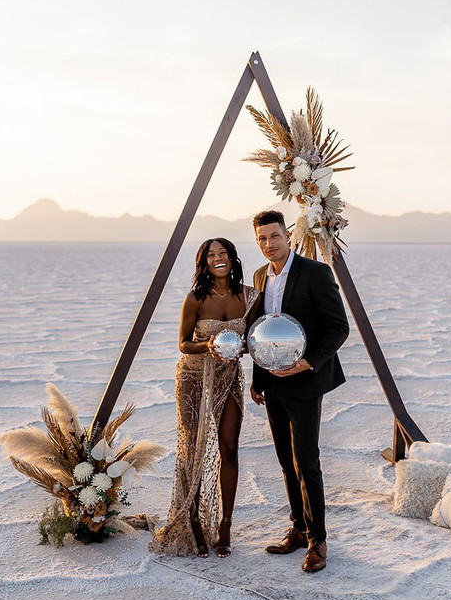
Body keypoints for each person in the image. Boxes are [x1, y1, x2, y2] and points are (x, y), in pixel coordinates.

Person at [250, 210, 349, 572]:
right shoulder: (261, 276)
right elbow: (262, 332)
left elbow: (338, 328)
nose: (268, 244)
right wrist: (258, 379)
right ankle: (298, 527)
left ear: (288, 236)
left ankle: (318, 541)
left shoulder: (315, 273)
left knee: (306, 461)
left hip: (306, 380)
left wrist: (308, 362)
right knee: (285, 461)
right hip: (272, 382)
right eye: (261, 238)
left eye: (274, 236)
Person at [150, 238, 260, 558]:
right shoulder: (195, 299)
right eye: (211, 255)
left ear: (232, 258)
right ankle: (194, 520)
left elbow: (254, 341)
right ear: (204, 263)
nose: (218, 258)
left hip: (229, 377)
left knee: (229, 448)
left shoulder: (251, 297)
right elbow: (183, 343)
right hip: (193, 376)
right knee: (194, 450)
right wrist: (208, 346)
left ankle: (225, 524)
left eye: (223, 253)